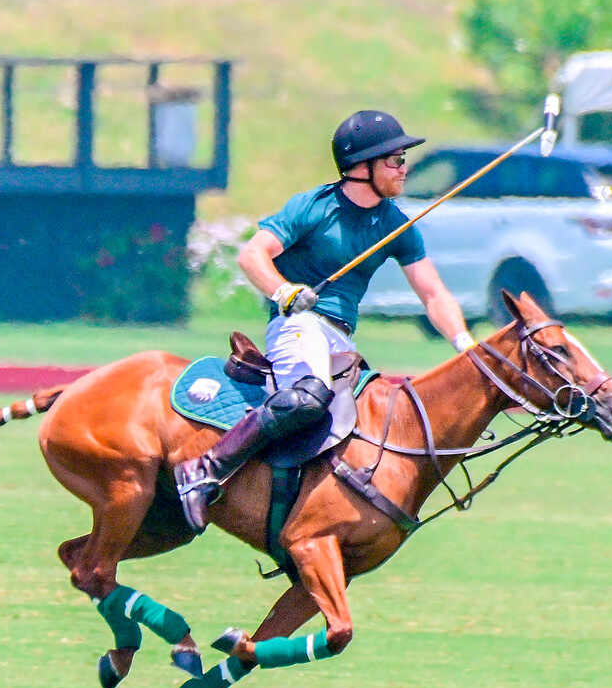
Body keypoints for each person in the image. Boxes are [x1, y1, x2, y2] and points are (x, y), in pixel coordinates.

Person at [174, 109, 475, 532]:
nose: (404, 169)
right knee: (308, 396)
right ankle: (206, 468)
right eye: (395, 160)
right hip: (299, 323)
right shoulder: (314, 208)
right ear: (361, 167)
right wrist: (285, 291)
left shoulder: (396, 224)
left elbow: (433, 293)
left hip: (342, 339)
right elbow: (252, 254)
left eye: (403, 159)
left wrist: (466, 345)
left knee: (367, 424)